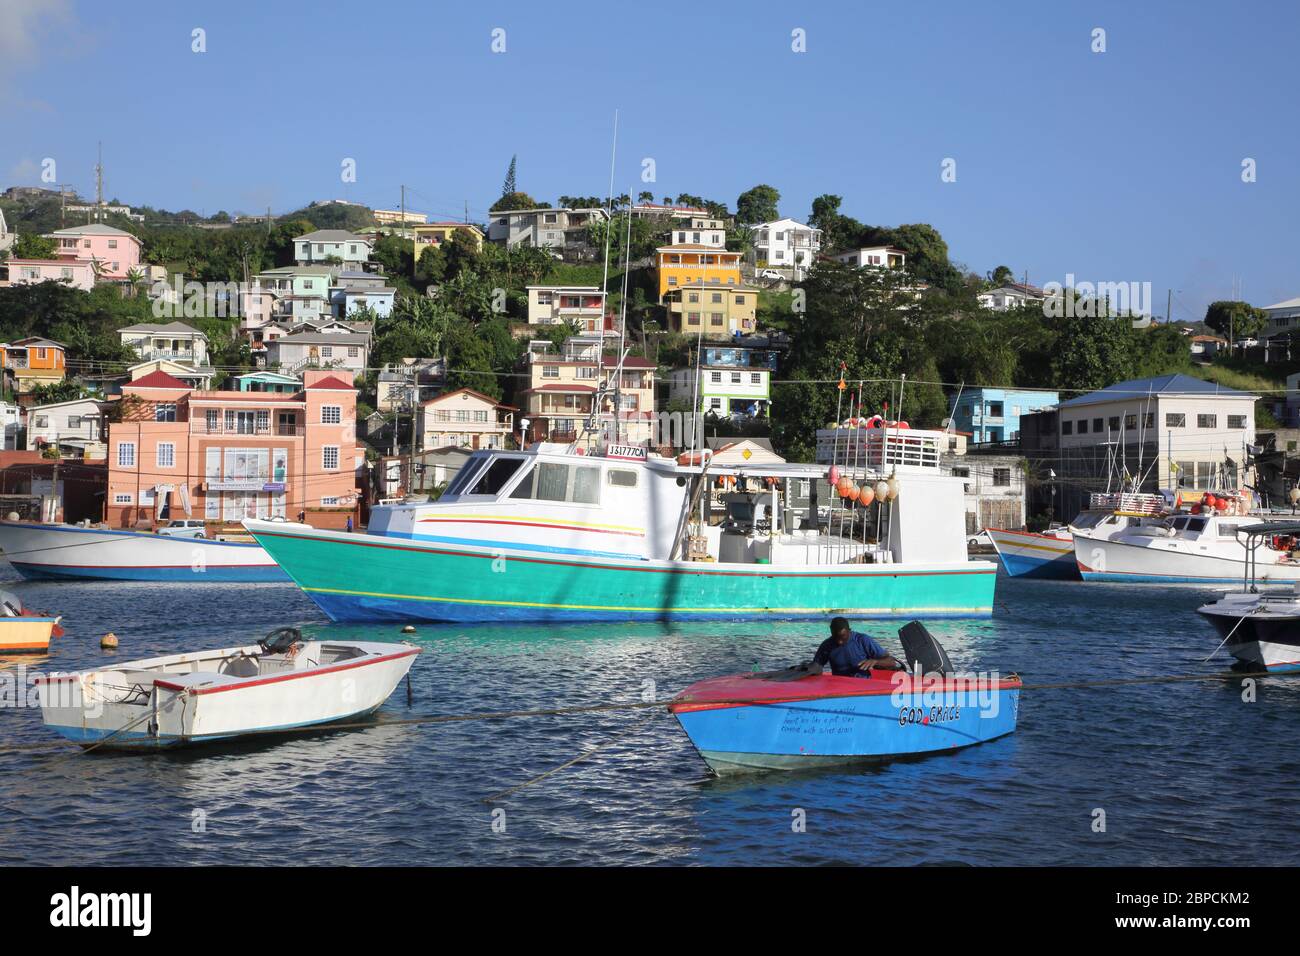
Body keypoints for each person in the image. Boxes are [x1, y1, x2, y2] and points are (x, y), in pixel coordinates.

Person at [813, 617, 902, 677]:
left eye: (843, 637)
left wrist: (875, 661)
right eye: (836, 637)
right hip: (839, 686)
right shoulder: (826, 645)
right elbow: (816, 666)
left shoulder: (862, 640)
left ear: (849, 631)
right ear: (831, 632)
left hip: (863, 685)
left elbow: (891, 662)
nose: (839, 641)